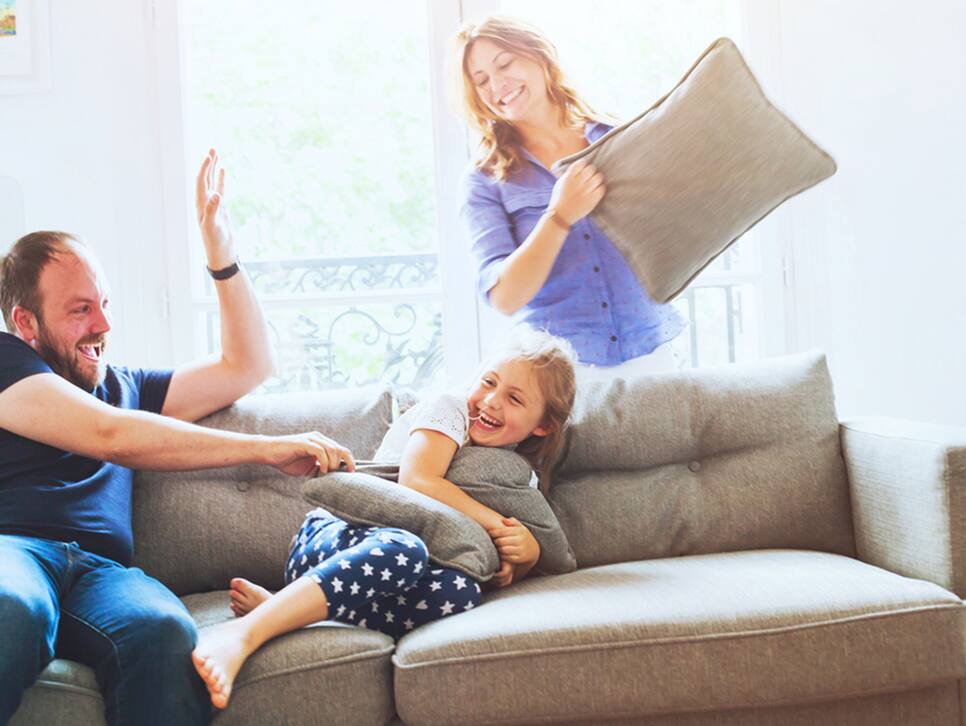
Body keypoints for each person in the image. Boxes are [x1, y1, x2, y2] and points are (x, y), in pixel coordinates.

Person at [0, 150, 355, 726]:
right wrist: (267, 448)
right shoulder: (7, 363)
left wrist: (222, 257)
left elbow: (247, 366)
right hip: (13, 553)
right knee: (8, 606)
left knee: (163, 629)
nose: (103, 326)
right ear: (25, 323)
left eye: (105, 304)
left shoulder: (127, 386)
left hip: (100, 575)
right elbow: (108, 435)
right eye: (81, 309)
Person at [190, 326, 577, 710]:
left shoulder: (516, 475)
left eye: (514, 398)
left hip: (389, 577)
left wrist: (524, 557)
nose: (491, 401)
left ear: (542, 425)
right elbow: (418, 481)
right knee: (406, 548)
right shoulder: (451, 410)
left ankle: (289, 611)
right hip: (334, 539)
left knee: (461, 590)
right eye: (488, 382)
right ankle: (245, 634)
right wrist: (495, 524)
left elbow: (485, 566)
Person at [452, 16, 687, 376]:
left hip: (654, 351)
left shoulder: (616, 137)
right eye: (481, 80)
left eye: (505, 63)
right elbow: (505, 297)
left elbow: (672, 234)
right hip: (560, 372)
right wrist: (559, 216)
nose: (497, 85)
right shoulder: (483, 181)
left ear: (539, 56)